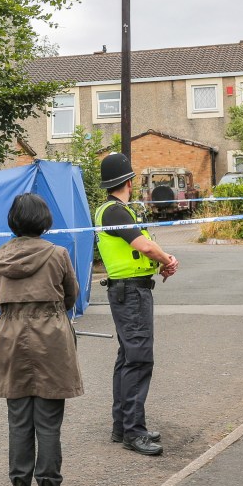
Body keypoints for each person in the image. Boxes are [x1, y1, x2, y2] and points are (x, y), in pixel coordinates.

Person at [0, 193, 84, 486]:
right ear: (44, 220)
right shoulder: (58, 254)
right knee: (48, 421)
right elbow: (72, 294)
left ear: (13, 221)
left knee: (18, 420)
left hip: (9, 338)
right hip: (51, 338)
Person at [94, 153, 178, 457]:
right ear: (128, 180)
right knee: (139, 359)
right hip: (130, 294)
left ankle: (123, 425)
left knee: (128, 357)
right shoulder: (115, 212)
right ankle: (133, 431)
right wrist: (167, 259)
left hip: (130, 290)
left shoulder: (118, 211)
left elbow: (143, 251)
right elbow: (143, 245)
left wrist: (162, 262)